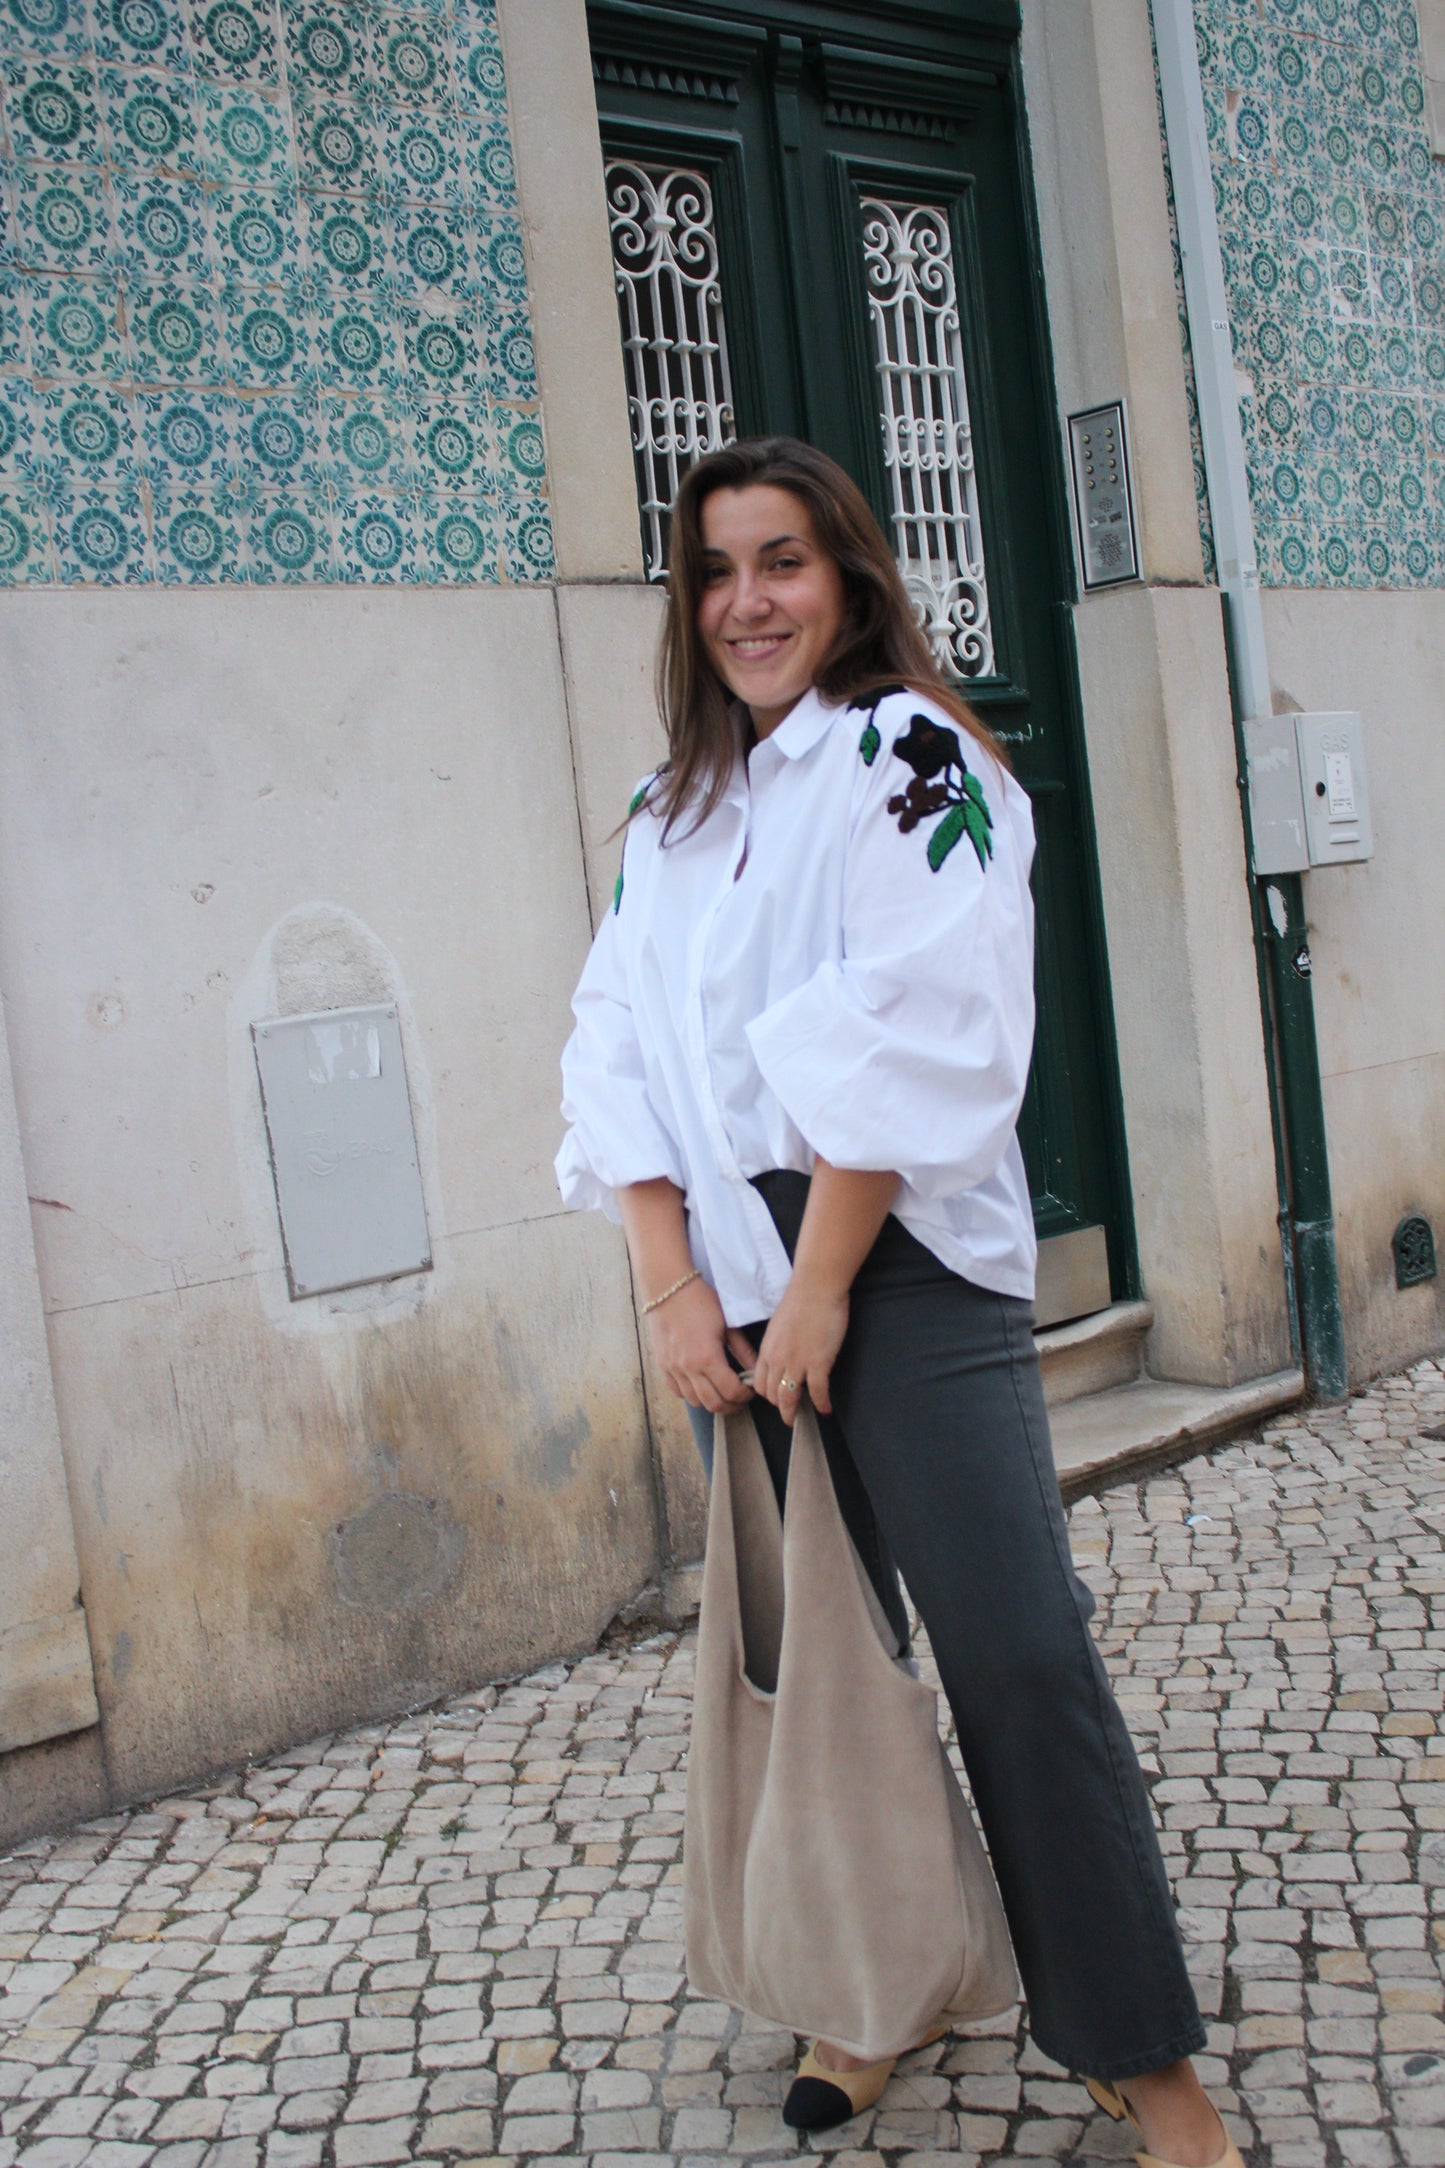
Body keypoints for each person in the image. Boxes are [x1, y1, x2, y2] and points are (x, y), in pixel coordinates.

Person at [554, 437, 1241, 2168]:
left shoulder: (910, 754)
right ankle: (871, 1993)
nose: (746, 602)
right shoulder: (669, 813)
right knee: (827, 1673)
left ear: (847, 574)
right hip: (734, 1274)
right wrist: (671, 1287)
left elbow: (929, 1017)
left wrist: (822, 1285)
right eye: (714, 570)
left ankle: (1138, 2056)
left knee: (1013, 1656)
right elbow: (612, 1046)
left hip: (900, 1264)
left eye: (780, 561)